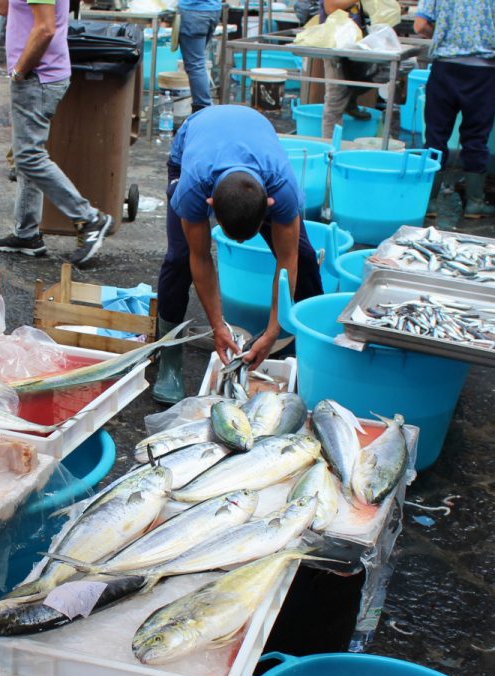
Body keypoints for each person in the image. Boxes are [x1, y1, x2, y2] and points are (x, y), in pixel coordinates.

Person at [152, 106, 323, 403]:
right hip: (195, 142)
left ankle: (308, 352)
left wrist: (273, 330)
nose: (242, 242)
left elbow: (288, 260)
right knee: (179, 259)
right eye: (234, 236)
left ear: (269, 205)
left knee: (305, 257)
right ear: (210, 205)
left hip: (255, 140)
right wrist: (217, 326)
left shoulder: (282, 189)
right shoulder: (194, 189)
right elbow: (201, 257)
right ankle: (169, 357)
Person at [0, 0, 112, 267]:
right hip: (36, 75)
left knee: (29, 156)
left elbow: (45, 28)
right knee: (28, 152)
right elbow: (5, 9)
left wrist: (19, 70)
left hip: (37, 75)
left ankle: (89, 218)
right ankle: (27, 234)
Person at [414, 0, 495, 226]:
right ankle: (475, 202)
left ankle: (430, 201)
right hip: (483, 71)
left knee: (435, 136)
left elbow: (420, 25)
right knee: (477, 137)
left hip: (444, 69)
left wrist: (445, 34)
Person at [319, 0, 375, 139]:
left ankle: (350, 99)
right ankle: (330, 153)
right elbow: (330, 6)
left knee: (382, 71)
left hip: (356, 43)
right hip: (335, 45)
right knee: (335, 101)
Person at [178, 0, 222, 111]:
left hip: (193, 11)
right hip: (213, 10)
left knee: (195, 65)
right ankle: (203, 107)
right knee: (197, 63)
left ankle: (203, 109)